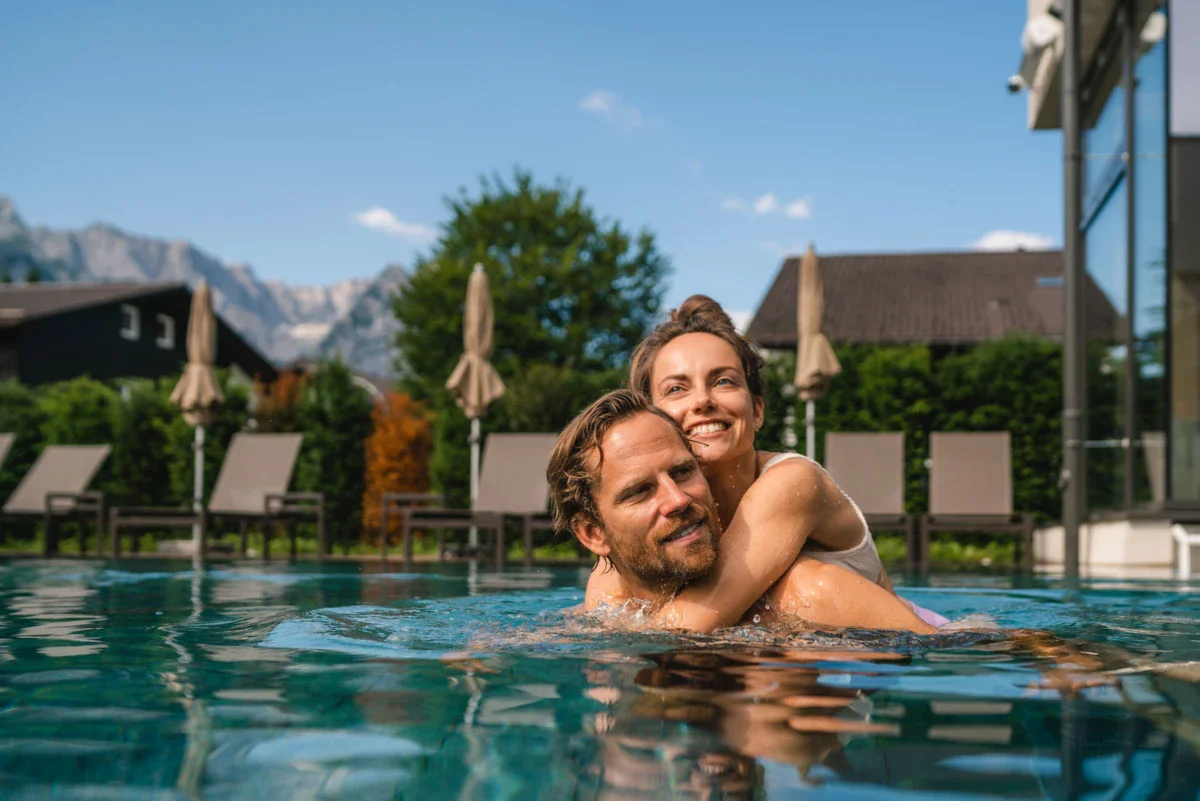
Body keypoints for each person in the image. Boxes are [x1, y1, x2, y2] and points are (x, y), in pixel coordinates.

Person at [586, 295, 946, 631]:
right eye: (677, 389)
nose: (702, 401)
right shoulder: (659, 516)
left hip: (901, 644)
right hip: (800, 659)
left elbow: (688, 622)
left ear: (757, 410)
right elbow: (606, 607)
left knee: (796, 588)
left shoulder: (793, 482)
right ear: (651, 419)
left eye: (723, 381)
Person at [547, 388, 938, 634]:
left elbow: (944, 654)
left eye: (683, 472)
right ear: (593, 534)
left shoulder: (806, 597)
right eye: (640, 492)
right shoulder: (609, 600)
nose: (678, 499)